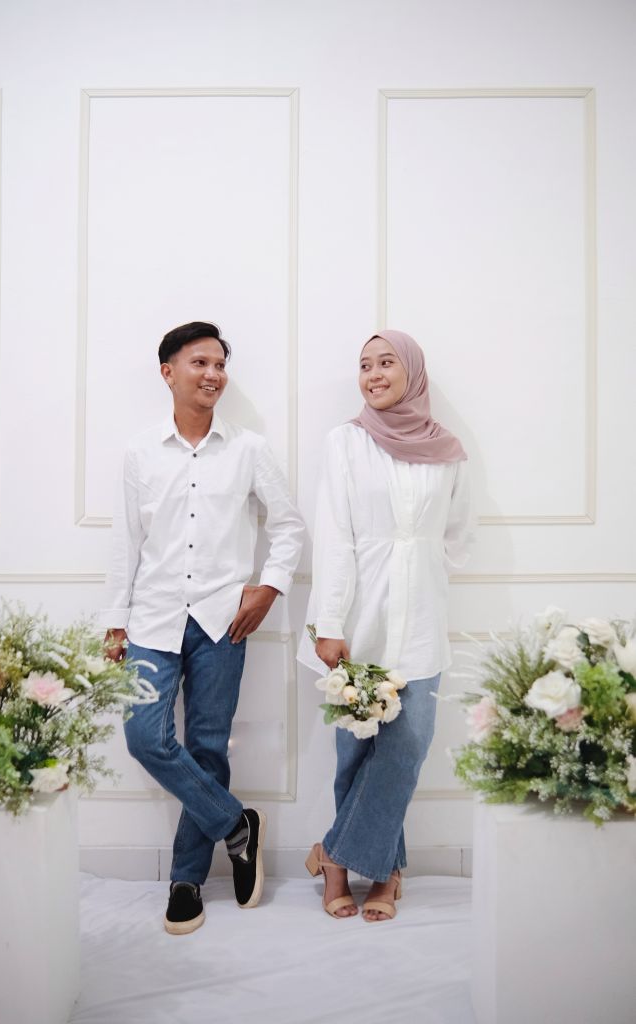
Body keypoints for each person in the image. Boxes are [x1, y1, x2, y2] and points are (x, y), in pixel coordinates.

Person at [102, 321, 305, 935]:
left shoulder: (249, 449)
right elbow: (125, 542)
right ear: (168, 372)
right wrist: (115, 622)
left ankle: (186, 879)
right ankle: (236, 824)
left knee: (208, 748)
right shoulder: (140, 453)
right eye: (199, 363)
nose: (213, 374)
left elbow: (288, 525)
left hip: (223, 620)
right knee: (145, 737)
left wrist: (269, 587)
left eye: (220, 364)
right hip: (152, 618)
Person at [299, 330, 474, 922]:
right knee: (355, 753)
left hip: (422, 622)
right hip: (359, 620)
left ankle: (334, 854)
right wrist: (329, 621)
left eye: (386, 362)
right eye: (364, 365)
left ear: (413, 372)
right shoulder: (346, 442)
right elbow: (334, 535)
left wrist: (420, 565)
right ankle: (382, 872)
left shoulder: (447, 450)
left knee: (406, 747)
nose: (373, 374)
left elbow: (459, 535)